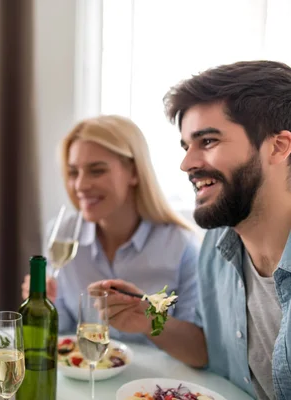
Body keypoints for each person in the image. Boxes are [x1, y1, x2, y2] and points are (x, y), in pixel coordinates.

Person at [92, 60, 291, 400]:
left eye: (208, 141)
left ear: (278, 147)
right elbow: (207, 350)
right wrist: (148, 319)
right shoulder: (217, 242)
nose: (187, 164)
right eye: (186, 146)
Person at [21, 115, 200, 345]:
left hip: (154, 379)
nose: (80, 185)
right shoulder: (63, 234)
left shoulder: (181, 245)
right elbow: (64, 328)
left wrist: (151, 320)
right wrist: (46, 303)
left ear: (134, 173)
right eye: (74, 172)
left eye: (97, 171)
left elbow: (197, 347)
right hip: (88, 372)